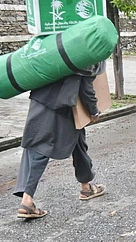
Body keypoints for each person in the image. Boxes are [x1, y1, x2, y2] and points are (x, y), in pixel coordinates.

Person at [13, 62, 107, 219]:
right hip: (61, 106)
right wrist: (94, 111)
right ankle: (27, 200)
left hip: (40, 98)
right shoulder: (81, 53)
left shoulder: (56, 45)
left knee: (77, 142)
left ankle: (86, 186)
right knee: (40, 148)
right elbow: (86, 87)